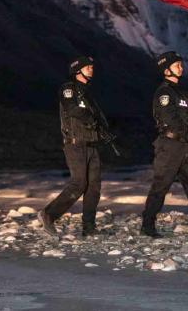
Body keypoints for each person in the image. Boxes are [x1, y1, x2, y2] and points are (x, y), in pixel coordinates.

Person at [141, 52, 188, 238]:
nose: (181, 68)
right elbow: (170, 119)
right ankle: (147, 225)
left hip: (187, 146)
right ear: (166, 70)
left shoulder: (181, 92)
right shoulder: (164, 93)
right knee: (161, 186)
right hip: (170, 146)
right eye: (177, 65)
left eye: (181, 65)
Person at [38, 56, 113, 238]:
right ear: (77, 70)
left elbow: (96, 117)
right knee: (78, 183)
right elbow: (73, 109)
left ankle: (89, 227)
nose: (91, 69)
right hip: (75, 144)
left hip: (91, 144)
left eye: (91, 67)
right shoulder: (68, 89)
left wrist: (103, 131)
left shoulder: (86, 93)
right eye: (87, 67)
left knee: (94, 187)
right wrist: (91, 119)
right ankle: (49, 214)